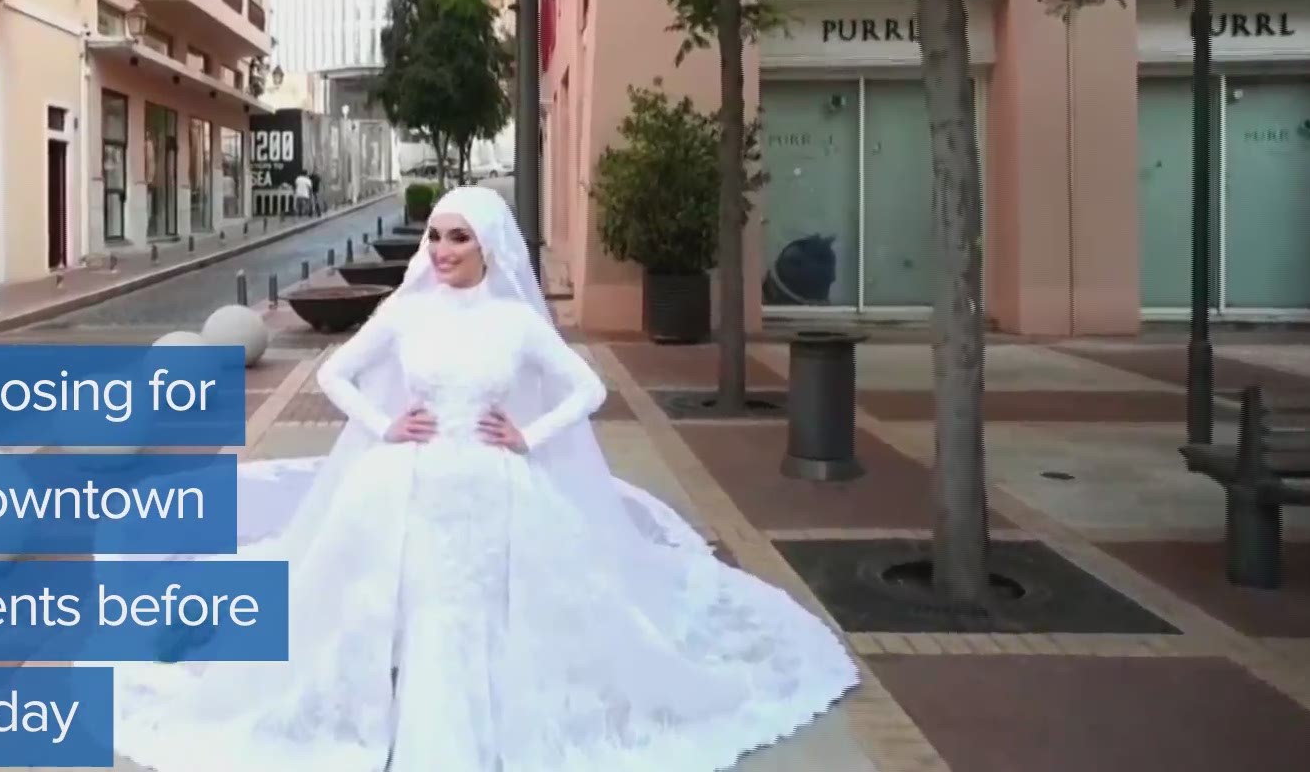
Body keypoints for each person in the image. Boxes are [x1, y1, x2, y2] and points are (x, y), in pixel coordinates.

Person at [111, 186, 859, 772]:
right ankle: (392, 708)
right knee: (387, 599)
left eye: (458, 237)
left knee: (496, 607)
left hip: (496, 484)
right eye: (435, 235)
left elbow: (587, 390)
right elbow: (335, 370)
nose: (441, 250)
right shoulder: (406, 313)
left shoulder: (515, 322)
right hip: (408, 481)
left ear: (489, 246)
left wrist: (527, 435)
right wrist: (383, 424)